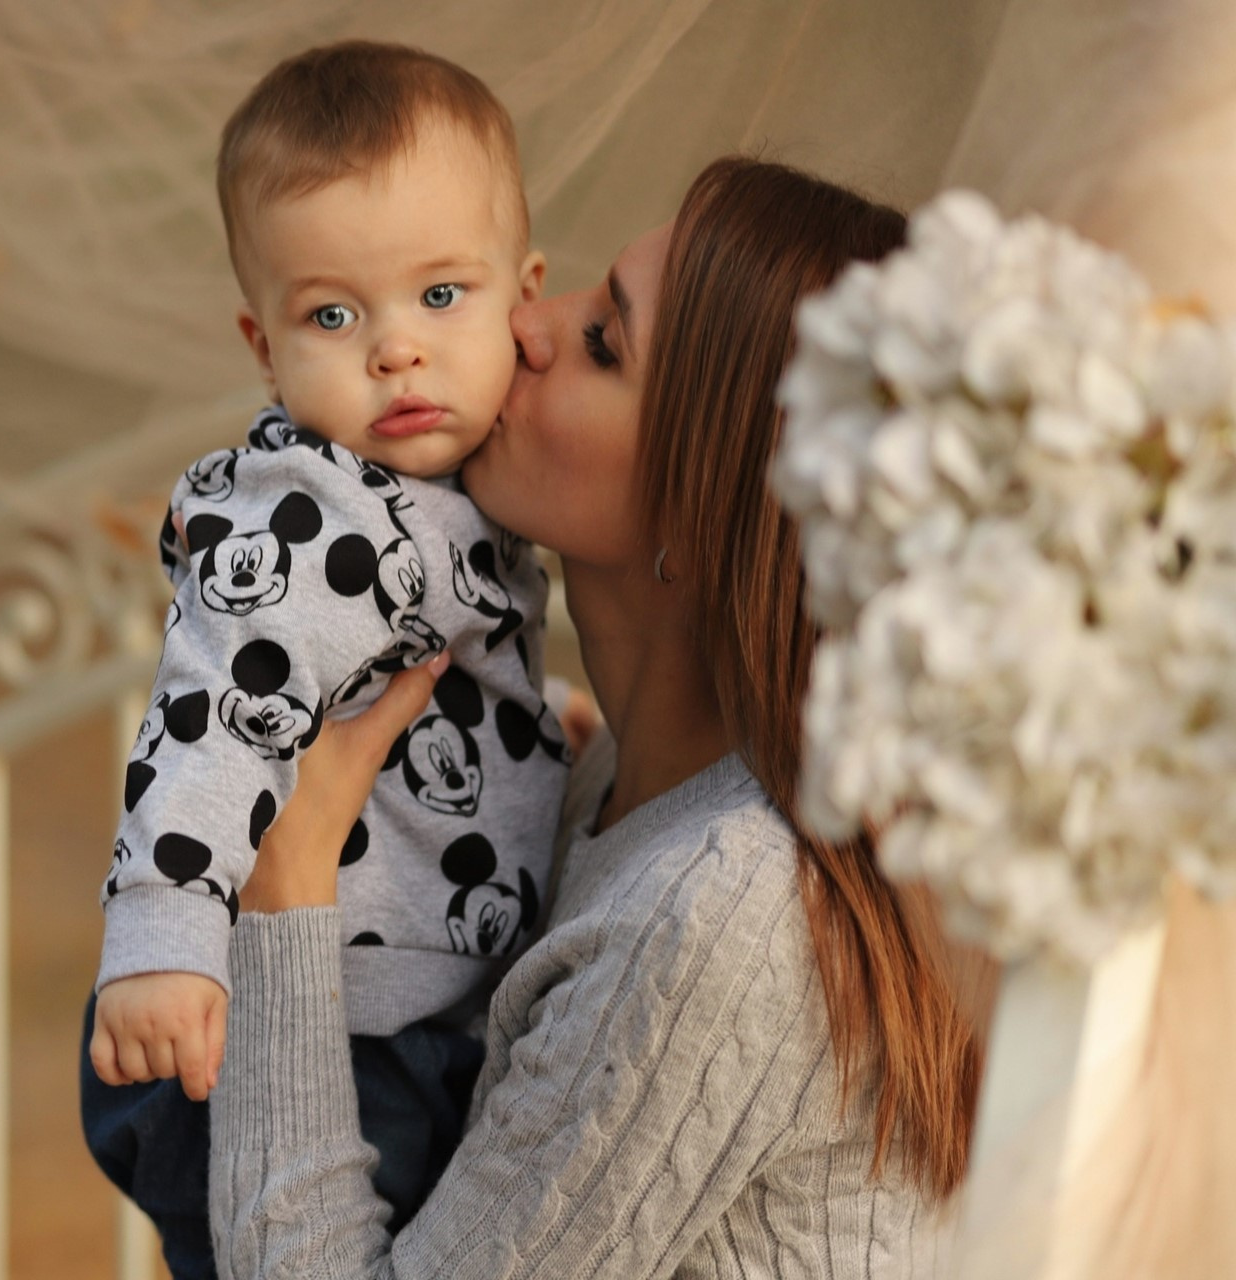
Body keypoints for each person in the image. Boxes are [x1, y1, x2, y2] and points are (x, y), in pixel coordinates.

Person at [205, 155, 988, 1278]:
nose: (526, 322)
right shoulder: (622, 776)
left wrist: (284, 888)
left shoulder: (723, 907)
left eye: (604, 343)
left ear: (706, 508)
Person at [80, 40, 568, 1278]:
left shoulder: (471, 496)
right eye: (333, 315)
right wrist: (162, 934)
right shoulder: (309, 518)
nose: (394, 349)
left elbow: (421, 684)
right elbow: (214, 713)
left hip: (400, 1004)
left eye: (440, 295)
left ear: (527, 290)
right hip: (283, 1028)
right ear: (263, 344)